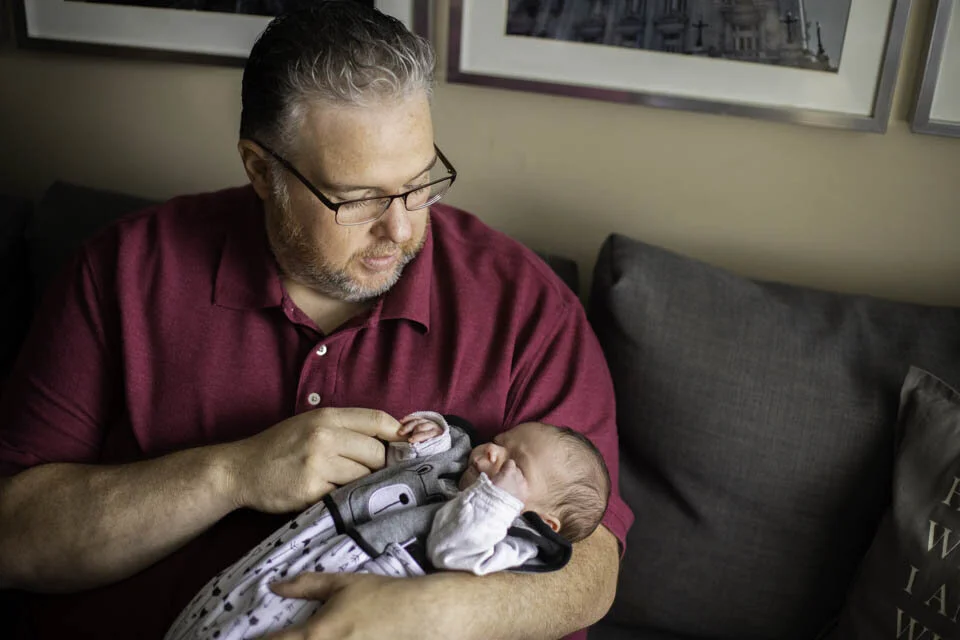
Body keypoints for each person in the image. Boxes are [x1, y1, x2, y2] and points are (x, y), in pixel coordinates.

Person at [0, 3, 633, 639]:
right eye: (358, 198)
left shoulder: (526, 306)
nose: (402, 229)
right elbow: (15, 537)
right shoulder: (123, 270)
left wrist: (438, 614)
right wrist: (231, 474)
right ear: (261, 169)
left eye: (420, 184)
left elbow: (593, 568)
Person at [166, 412, 611, 640]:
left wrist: (497, 500)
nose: (492, 451)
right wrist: (428, 435)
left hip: (350, 592)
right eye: (500, 441)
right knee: (223, 609)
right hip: (313, 543)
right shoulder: (458, 472)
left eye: (515, 465)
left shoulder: (514, 544)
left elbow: (453, 549)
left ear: (543, 522)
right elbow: (401, 469)